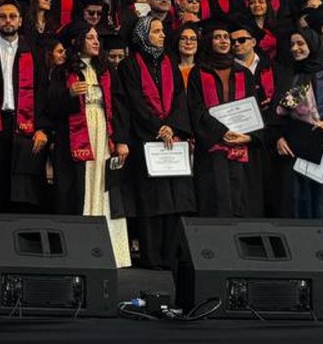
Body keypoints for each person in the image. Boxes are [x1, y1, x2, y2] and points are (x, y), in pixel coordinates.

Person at [271, 28, 323, 265]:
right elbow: (277, 114)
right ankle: (299, 254)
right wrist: (278, 137)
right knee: (296, 199)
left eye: (300, 43)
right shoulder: (288, 76)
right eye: (292, 44)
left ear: (312, 44)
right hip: (295, 148)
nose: (295, 48)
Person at [50, 23, 131, 267]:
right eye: (90, 37)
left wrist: (122, 140)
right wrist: (69, 95)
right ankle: (78, 249)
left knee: (105, 186)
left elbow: (120, 107)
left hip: (103, 135)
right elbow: (50, 108)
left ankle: (111, 251)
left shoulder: (107, 71)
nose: (96, 42)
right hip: (75, 138)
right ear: (77, 42)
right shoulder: (62, 72)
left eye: (97, 38)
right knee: (78, 187)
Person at [120, 16, 193, 270]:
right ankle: (151, 257)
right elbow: (134, 101)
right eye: (157, 31)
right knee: (150, 203)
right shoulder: (129, 65)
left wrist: (171, 125)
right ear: (142, 35)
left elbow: (180, 97)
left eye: (163, 31)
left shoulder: (169, 62)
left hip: (171, 140)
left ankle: (169, 255)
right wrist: (156, 127)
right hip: (145, 142)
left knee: (174, 201)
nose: (163, 35)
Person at [0, 0, 51, 210]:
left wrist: (42, 128)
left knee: (25, 186)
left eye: (12, 16)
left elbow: (43, 91)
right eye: (3, 17)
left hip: (26, 126)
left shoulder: (33, 52)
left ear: (21, 21)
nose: (8, 21)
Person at [188, 21, 262, 217]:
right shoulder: (199, 72)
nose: (223, 41)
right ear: (209, 41)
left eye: (226, 37)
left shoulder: (243, 73)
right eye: (217, 37)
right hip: (213, 148)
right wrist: (221, 131)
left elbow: (252, 108)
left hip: (240, 146)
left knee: (240, 201)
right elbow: (196, 108)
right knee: (215, 201)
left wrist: (249, 136)